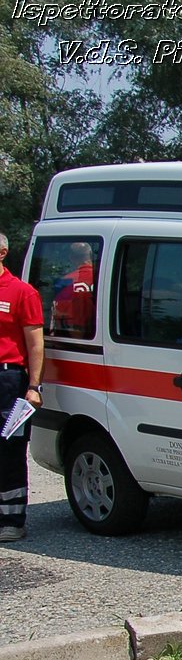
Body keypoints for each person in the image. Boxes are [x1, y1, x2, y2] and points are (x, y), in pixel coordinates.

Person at [0, 232, 45, 544]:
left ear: (2, 252)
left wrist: (34, 385)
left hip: (9, 380)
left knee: (10, 450)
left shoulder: (21, 292)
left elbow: (35, 343)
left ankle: (12, 520)